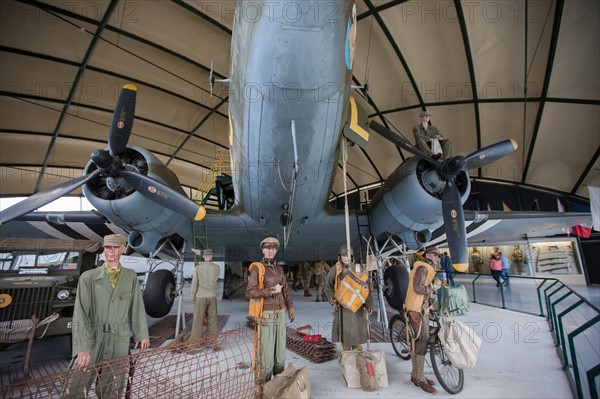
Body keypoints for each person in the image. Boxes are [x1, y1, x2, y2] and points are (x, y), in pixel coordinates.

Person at [62, 234, 149, 398]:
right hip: (93, 336)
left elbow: (136, 306)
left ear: (123, 249)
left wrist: (142, 334)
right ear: (104, 249)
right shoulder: (89, 278)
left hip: (119, 339)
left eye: (116, 247)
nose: (111, 251)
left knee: (113, 386)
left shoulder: (130, 277)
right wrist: (83, 348)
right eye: (108, 247)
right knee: (76, 384)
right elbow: (80, 314)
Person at [246, 237, 295, 388]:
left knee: (280, 357)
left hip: (280, 316)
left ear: (276, 250)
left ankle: (277, 386)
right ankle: (261, 389)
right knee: (266, 358)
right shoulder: (257, 269)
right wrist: (270, 290)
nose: (270, 251)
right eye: (267, 248)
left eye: (273, 248)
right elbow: (249, 292)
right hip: (265, 316)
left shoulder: (279, 269)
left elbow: (285, 290)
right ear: (262, 250)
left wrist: (290, 307)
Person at [404, 247, 443, 394]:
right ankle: (420, 378)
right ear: (430, 255)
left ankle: (416, 375)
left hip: (419, 307)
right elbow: (418, 287)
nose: (439, 258)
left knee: (418, 340)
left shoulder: (423, 267)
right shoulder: (423, 268)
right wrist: (433, 287)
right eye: (437, 256)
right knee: (422, 339)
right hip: (416, 309)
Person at [324, 245, 373, 351]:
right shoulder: (336, 270)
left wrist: (369, 305)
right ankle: (347, 364)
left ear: (352, 256)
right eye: (343, 255)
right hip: (343, 309)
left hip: (357, 309)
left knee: (356, 341)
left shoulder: (358, 269)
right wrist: (331, 297)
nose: (346, 258)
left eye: (348, 255)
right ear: (340, 257)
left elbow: (366, 288)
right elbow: (327, 285)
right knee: (345, 342)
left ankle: (358, 363)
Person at [189, 248, 221, 344]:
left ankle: (194, 345)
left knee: (197, 322)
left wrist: (193, 297)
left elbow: (194, 284)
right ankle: (213, 343)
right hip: (212, 297)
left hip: (200, 297)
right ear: (211, 256)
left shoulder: (198, 268)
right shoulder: (217, 268)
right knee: (213, 320)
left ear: (203, 257)